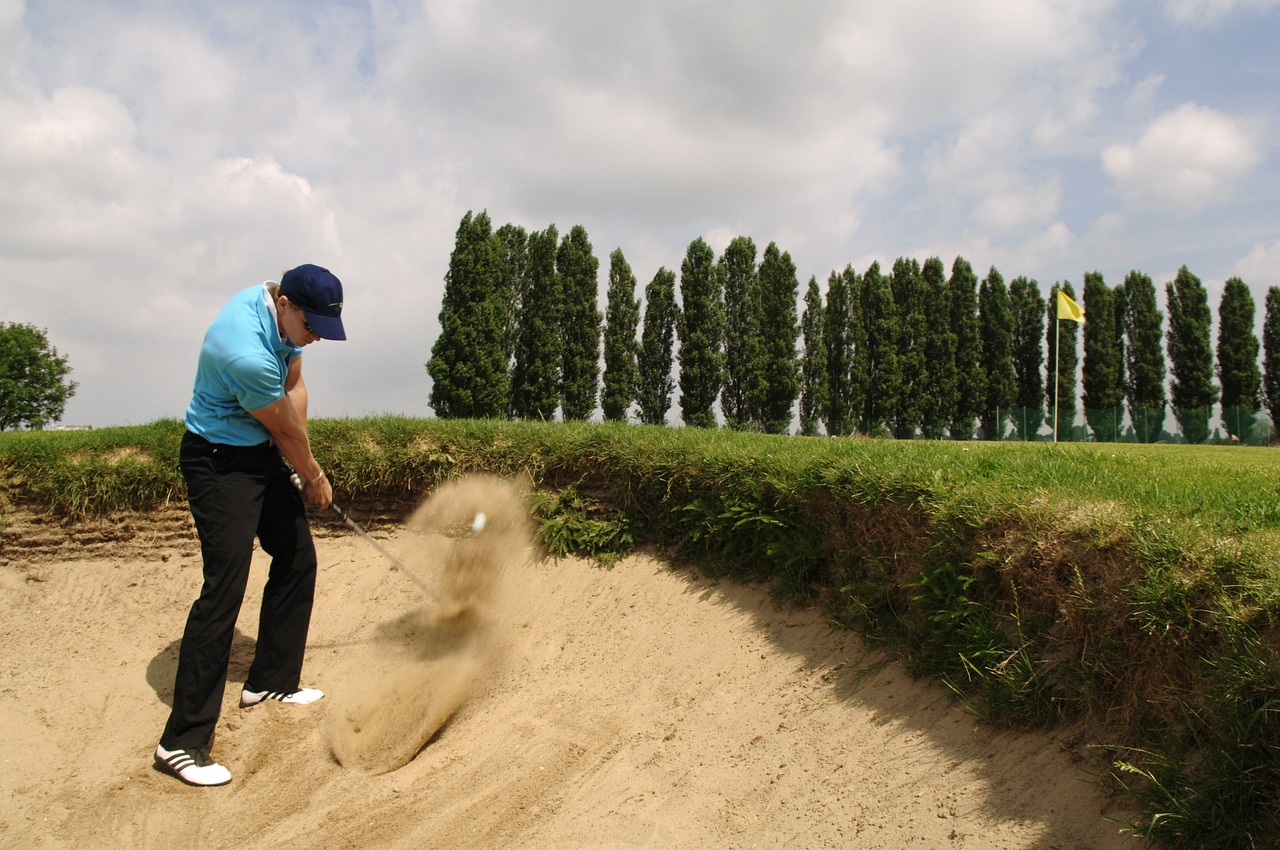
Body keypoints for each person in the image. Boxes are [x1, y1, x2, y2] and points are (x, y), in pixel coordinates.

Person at [154, 264, 346, 786]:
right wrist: (313, 475)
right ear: (286, 304)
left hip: (257, 449)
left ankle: (271, 682)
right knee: (225, 589)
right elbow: (282, 426)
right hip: (218, 461)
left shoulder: (282, 315)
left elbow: (295, 388)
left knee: (296, 555)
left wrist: (295, 449)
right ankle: (181, 743)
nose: (315, 339)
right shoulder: (243, 348)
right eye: (313, 328)